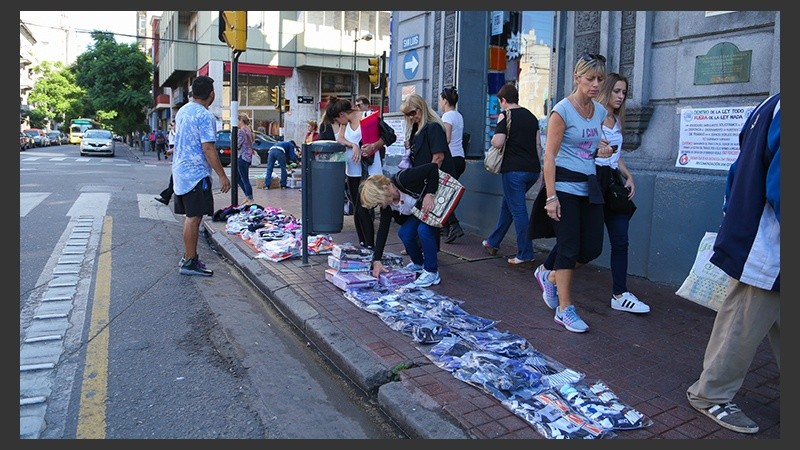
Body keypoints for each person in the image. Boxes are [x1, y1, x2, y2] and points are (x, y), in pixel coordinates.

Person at [685, 92, 780, 434]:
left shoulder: (770, 104)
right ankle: (710, 394)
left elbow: (739, 167)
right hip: (767, 246)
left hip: (758, 236)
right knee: (742, 321)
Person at [538, 73, 650, 314]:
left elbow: (613, 153)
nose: (620, 97)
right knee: (571, 241)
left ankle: (617, 292)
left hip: (611, 184)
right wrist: (551, 195)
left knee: (609, 241)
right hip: (587, 181)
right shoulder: (578, 112)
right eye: (617, 91)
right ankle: (561, 297)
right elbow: (557, 153)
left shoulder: (608, 117)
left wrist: (627, 174)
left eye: (624, 92)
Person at [529, 53, 613, 333]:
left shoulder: (600, 111)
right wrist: (550, 197)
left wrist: (601, 148)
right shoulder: (562, 111)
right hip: (563, 186)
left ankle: (549, 275)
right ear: (577, 78)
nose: (596, 84)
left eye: (600, 79)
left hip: (588, 185)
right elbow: (549, 156)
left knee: (591, 248)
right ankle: (564, 310)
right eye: (590, 78)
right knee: (568, 247)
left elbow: (590, 144)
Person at [172, 75, 231, 276]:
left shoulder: (183, 111)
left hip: (181, 172)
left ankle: (190, 256)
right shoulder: (205, 116)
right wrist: (223, 175)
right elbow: (208, 148)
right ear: (212, 95)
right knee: (194, 218)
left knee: (191, 218)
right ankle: (189, 262)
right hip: (195, 174)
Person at [480, 83, 542, 265]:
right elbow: (538, 144)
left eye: (501, 102)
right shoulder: (532, 117)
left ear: (504, 100)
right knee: (508, 205)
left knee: (518, 211)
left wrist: (493, 137)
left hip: (514, 170)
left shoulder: (505, 115)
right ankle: (493, 242)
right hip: (532, 169)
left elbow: (498, 142)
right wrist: (539, 168)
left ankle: (525, 253)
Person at [361, 162, 441, 287]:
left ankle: (432, 272)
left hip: (434, 206)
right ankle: (418, 263)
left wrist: (429, 194)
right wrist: (377, 260)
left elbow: (432, 167)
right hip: (419, 213)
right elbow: (383, 229)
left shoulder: (404, 178)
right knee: (405, 233)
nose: (380, 205)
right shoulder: (386, 204)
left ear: (385, 189)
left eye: (378, 201)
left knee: (423, 230)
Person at [327, 97, 388, 249]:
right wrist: (352, 144)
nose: (338, 123)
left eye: (337, 119)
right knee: (357, 209)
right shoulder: (345, 124)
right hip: (353, 171)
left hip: (369, 171)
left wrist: (373, 146)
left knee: (364, 208)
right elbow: (340, 139)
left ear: (342, 114)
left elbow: (388, 136)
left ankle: (370, 244)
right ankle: (363, 242)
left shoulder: (368, 117)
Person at [400, 94, 456, 252]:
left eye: (413, 113)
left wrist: (429, 185)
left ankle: (427, 251)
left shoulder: (433, 127)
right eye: (408, 115)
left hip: (432, 180)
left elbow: (438, 157)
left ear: (421, 109)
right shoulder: (418, 129)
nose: (411, 117)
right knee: (426, 220)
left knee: (427, 222)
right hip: (425, 179)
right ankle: (425, 248)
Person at [439, 86, 466, 244]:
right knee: (447, 193)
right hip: (460, 157)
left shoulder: (447, 116)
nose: (440, 103)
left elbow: (446, 139)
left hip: (450, 158)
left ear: (445, 101)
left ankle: (454, 225)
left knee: (444, 195)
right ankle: (447, 226)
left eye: (441, 99)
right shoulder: (458, 115)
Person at [236, 112, 255, 204]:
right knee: (240, 177)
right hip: (248, 156)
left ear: (241, 121)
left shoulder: (241, 131)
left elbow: (237, 145)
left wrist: (232, 137)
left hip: (242, 156)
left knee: (244, 178)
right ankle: (248, 196)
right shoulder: (248, 130)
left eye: (237, 121)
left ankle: (249, 197)